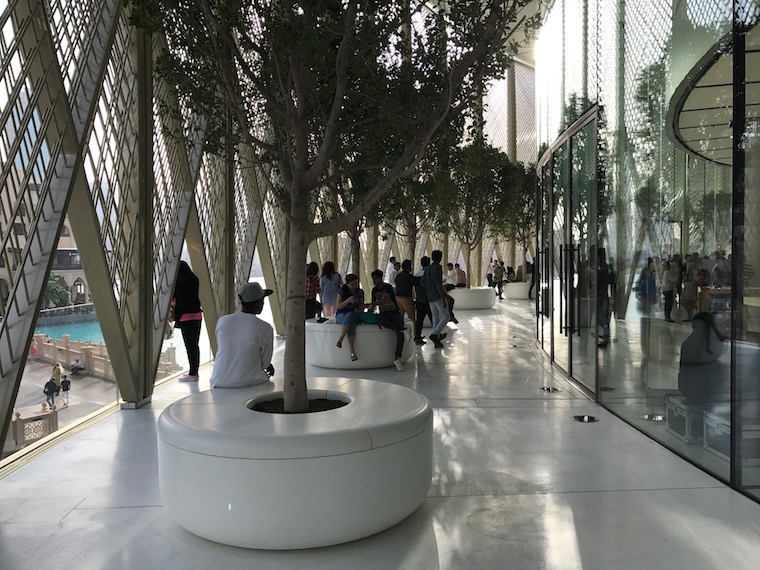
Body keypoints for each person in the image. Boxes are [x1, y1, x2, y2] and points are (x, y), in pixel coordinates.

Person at [210, 283, 275, 388]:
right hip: (250, 382)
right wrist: (268, 365)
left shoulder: (223, 321)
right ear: (259, 303)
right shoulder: (265, 328)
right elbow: (265, 363)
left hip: (219, 382)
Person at [173, 260, 203, 382]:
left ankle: (193, 373)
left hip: (186, 317)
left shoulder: (178, 283)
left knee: (189, 346)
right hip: (197, 315)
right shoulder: (195, 280)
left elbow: (175, 299)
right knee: (195, 345)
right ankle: (194, 371)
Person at [371, 270, 406, 371]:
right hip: (384, 313)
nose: (374, 281)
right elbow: (373, 304)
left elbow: (383, 300)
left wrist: (370, 304)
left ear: (380, 278)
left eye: (375, 279)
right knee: (380, 320)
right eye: (373, 279)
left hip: (394, 312)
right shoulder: (374, 290)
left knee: (399, 333)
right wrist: (369, 309)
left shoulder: (388, 287)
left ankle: (397, 357)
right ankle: (402, 329)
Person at [422, 250, 450, 348]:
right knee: (446, 316)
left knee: (435, 317)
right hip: (437, 296)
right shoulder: (438, 268)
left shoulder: (427, 268)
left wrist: (429, 288)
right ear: (440, 258)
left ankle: (436, 338)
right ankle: (435, 334)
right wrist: (443, 298)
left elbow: (422, 282)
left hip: (430, 296)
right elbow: (438, 284)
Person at [335, 274, 366, 361]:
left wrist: (361, 307)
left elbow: (361, 306)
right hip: (341, 314)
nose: (354, 286)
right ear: (347, 284)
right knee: (351, 323)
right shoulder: (342, 291)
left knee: (351, 315)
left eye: (356, 284)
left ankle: (341, 338)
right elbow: (338, 306)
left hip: (354, 313)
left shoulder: (360, 292)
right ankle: (352, 352)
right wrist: (347, 301)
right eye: (352, 284)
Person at [414, 258, 432, 345]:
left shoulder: (417, 274)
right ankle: (437, 335)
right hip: (428, 300)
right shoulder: (429, 274)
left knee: (419, 320)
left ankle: (417, 337)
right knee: (433, 319)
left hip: (419, 300)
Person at [394, 259, 416, 326]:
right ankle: (414, 332)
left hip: (398, 298)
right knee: (412, 318)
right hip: (406, 298)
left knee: (400, 317)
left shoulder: (398, 276)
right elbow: (416, 283)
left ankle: (400, 330)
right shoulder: (409, 276)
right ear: (409, 267)